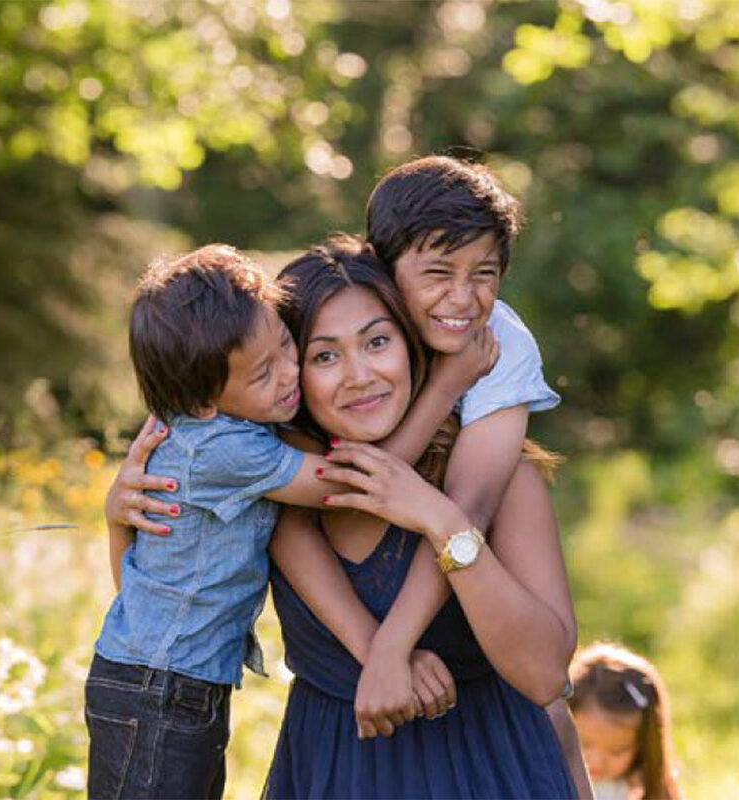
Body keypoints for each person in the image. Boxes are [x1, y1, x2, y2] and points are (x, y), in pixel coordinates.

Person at [87, 245, 409, 799]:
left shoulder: (215, 425)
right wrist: (447, 389)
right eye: (264, 374)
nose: (290, 374)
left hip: (166, 680)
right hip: (160, 689)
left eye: (287, 344)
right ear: (206, 401)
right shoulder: (225, 448)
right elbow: (352, 484)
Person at [263, 242, 576, 796]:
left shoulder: (500, 477)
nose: (359, 376)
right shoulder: (272, 490)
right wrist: (117, 515)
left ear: (410, 345)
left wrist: (440, 518)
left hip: (487, 771)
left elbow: (545, 675)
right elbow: (158, 619)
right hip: (333, 774)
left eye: (378, 342)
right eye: (325, 356)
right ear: (291, 374)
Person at [569, 642, 682, 800]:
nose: (596, 761)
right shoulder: (549, 778)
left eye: (616, 751)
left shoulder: (639, 790)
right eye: (583, 744)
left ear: (643, 746)